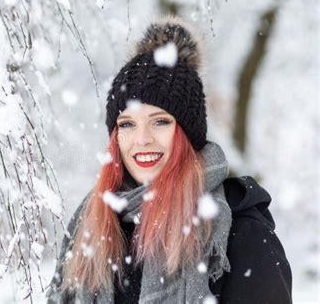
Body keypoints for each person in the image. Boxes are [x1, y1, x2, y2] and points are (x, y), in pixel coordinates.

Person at [46, 16, 292, 303]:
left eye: (160, 122)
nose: (142, 139)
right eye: (127, 124)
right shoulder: (91, 226)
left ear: (188, 134)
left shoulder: (238, 234)